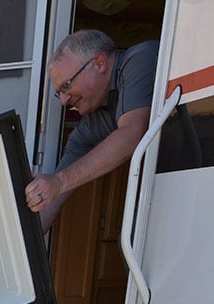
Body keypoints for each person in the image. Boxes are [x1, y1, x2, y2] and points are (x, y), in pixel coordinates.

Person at [26, 29, 159, 232]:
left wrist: (59, 181)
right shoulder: (91, 124)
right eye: (59, 93)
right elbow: (51, 200)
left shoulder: (141, 58)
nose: (63, 101)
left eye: (66, 86)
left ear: (99, 63)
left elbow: (132, 134)